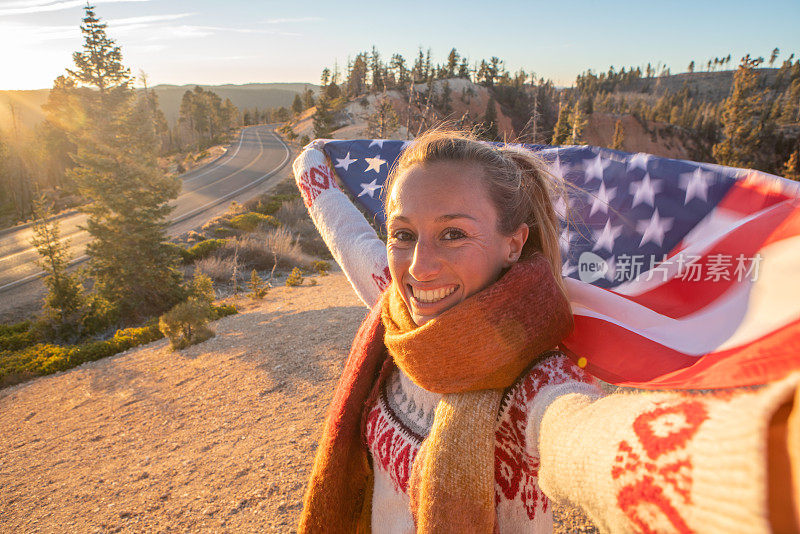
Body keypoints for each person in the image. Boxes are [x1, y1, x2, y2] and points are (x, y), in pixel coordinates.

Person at [291, 128, 800, 533]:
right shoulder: (395, 310)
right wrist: (310, 163)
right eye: (403, 234)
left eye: (453, 234)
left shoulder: (537, 381)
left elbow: (588, 440)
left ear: (514, 243)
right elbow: (349, 235)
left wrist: (766, 462)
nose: (419, 266)